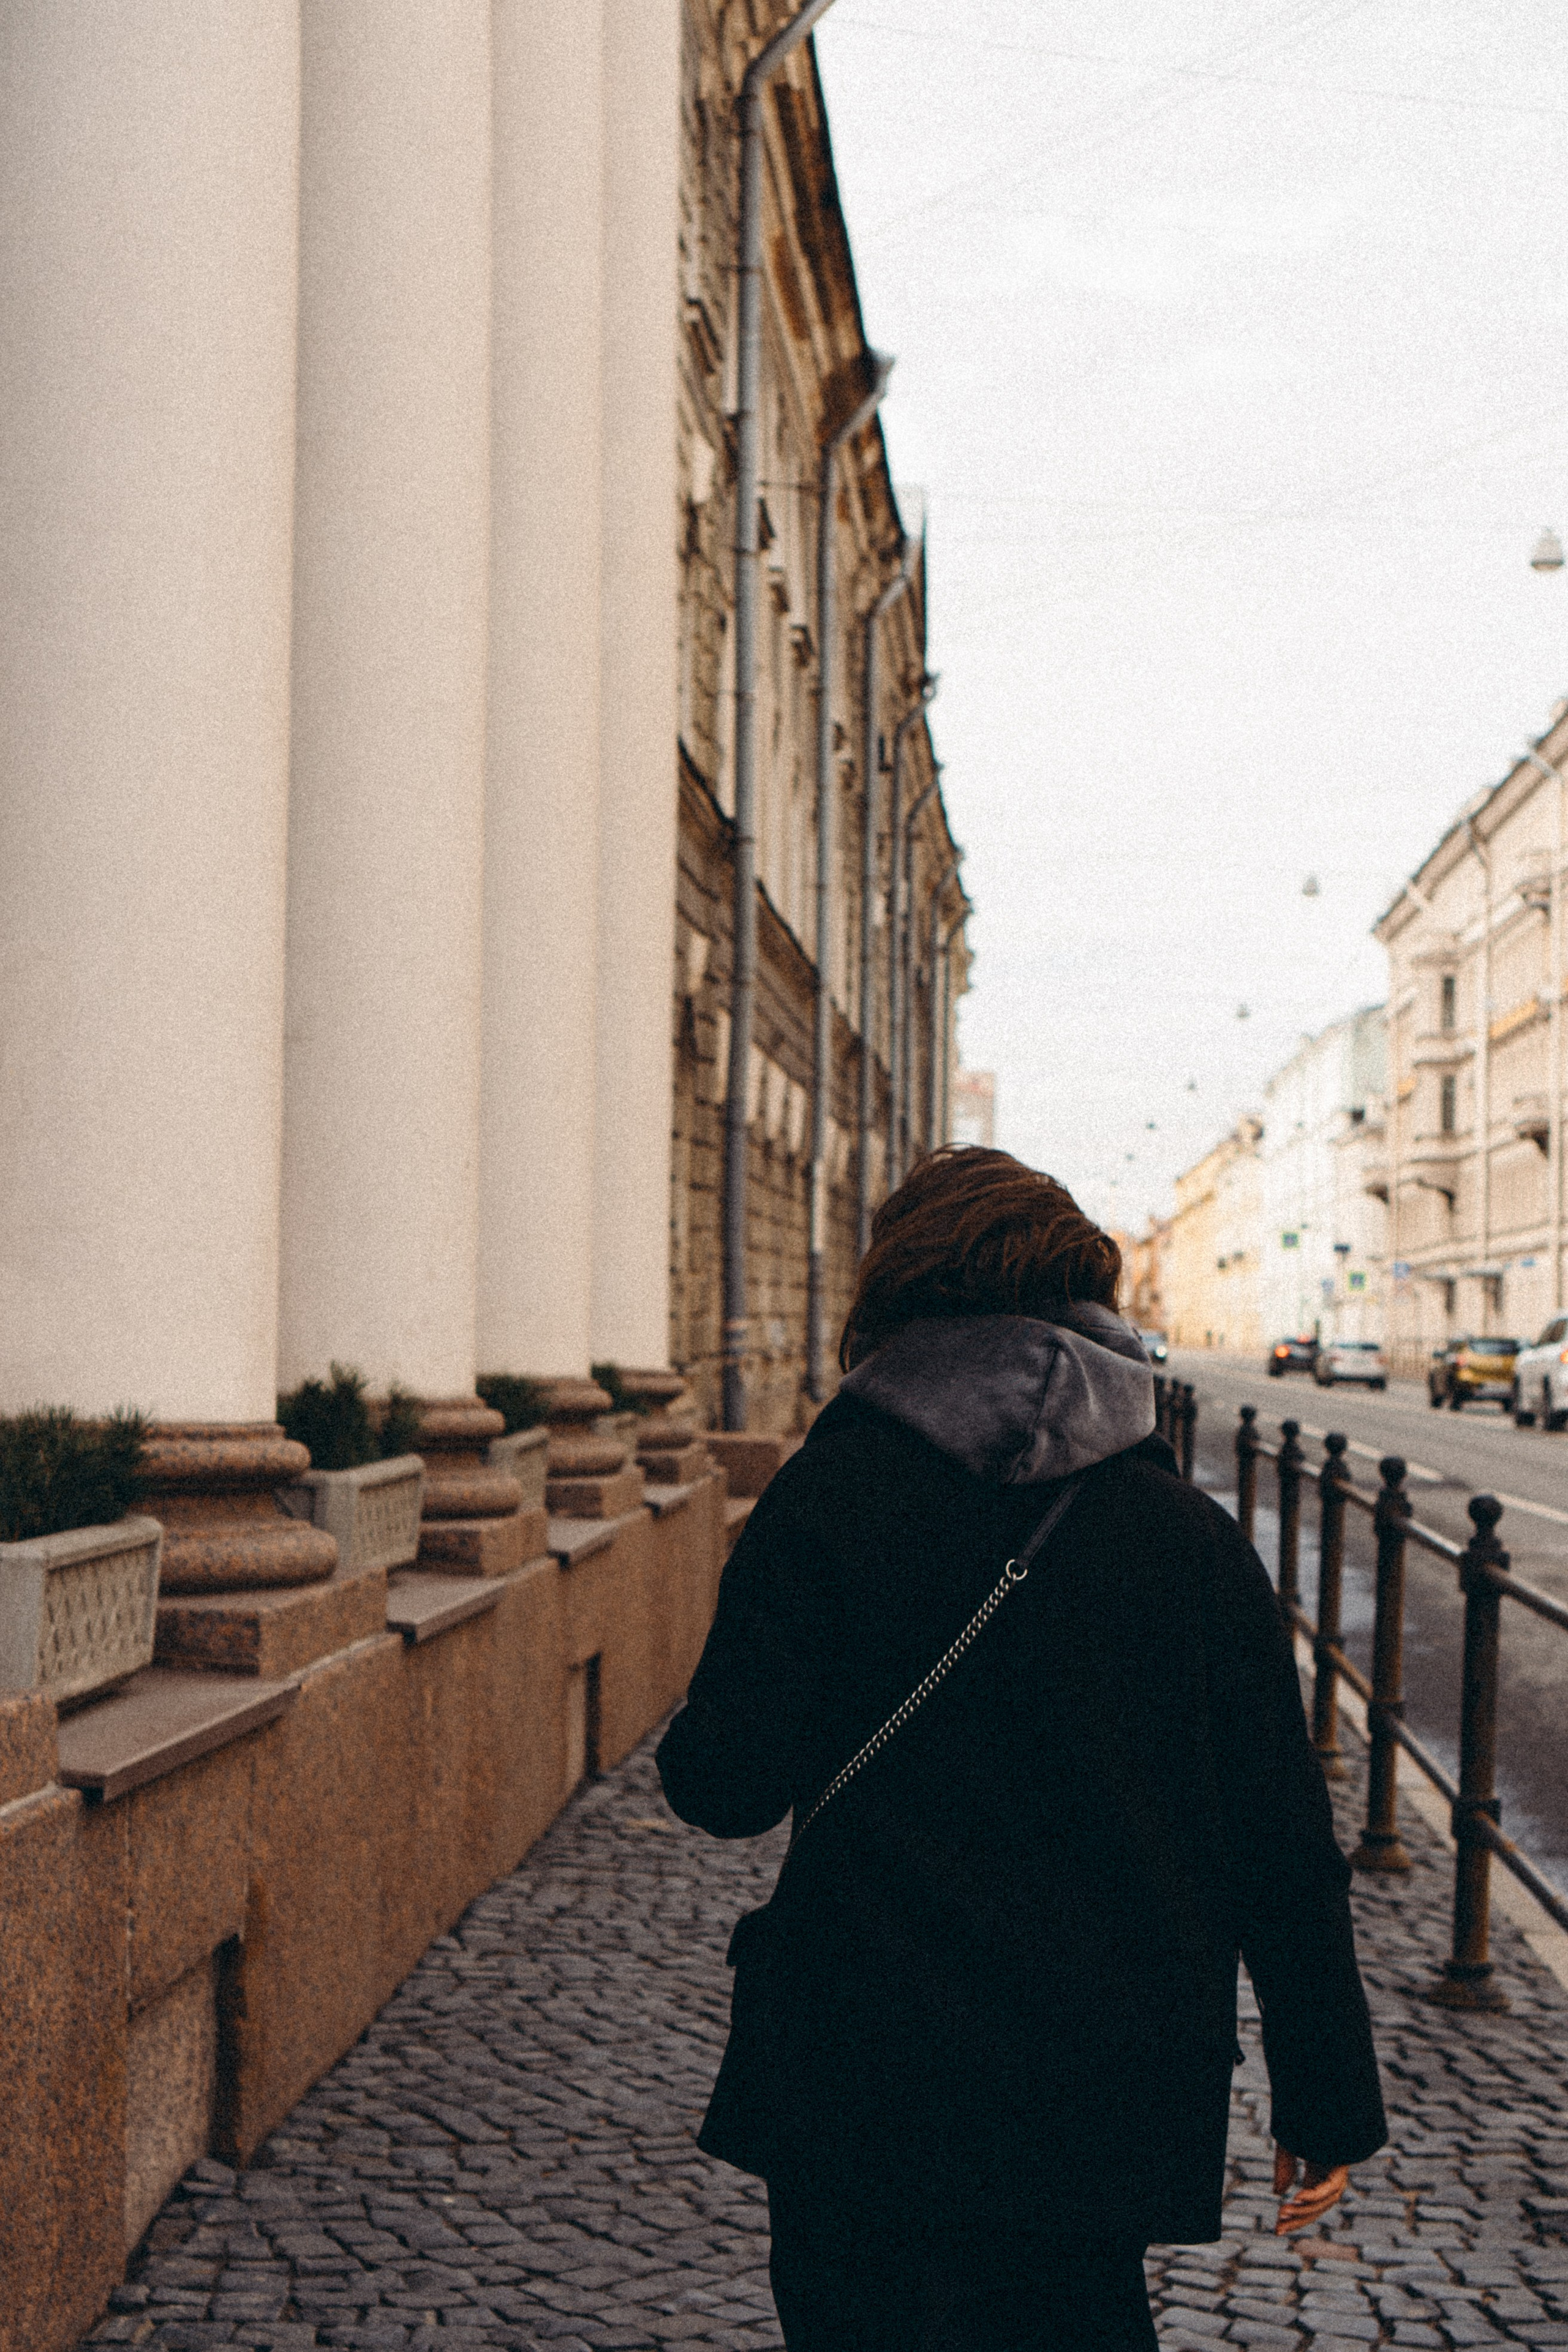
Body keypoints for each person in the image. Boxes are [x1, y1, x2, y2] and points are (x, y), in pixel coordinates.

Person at [658, 1147, 1387, 2352]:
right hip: (1095, 2088)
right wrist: (1326, 2100)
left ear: (897, 1290)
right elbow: (1281, 1845)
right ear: (1088, 1306)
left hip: (862, 2072)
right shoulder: (1185, 1538)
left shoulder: (829, 1495)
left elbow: (724, 1785)